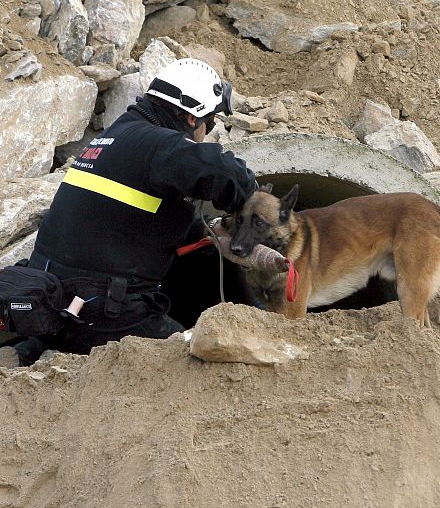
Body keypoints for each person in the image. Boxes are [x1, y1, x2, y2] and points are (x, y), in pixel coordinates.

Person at [4, 57, 256, 367]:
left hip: (50, 301)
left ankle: (28, 352)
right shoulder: (160, 144)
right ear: (192, 118)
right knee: (196, 365)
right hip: (101, 311)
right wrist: (252, 202)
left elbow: (132, 217)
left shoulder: (116, 136)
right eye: (211, 122)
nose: (208, 131)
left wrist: (204, 232)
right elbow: (229, 175)